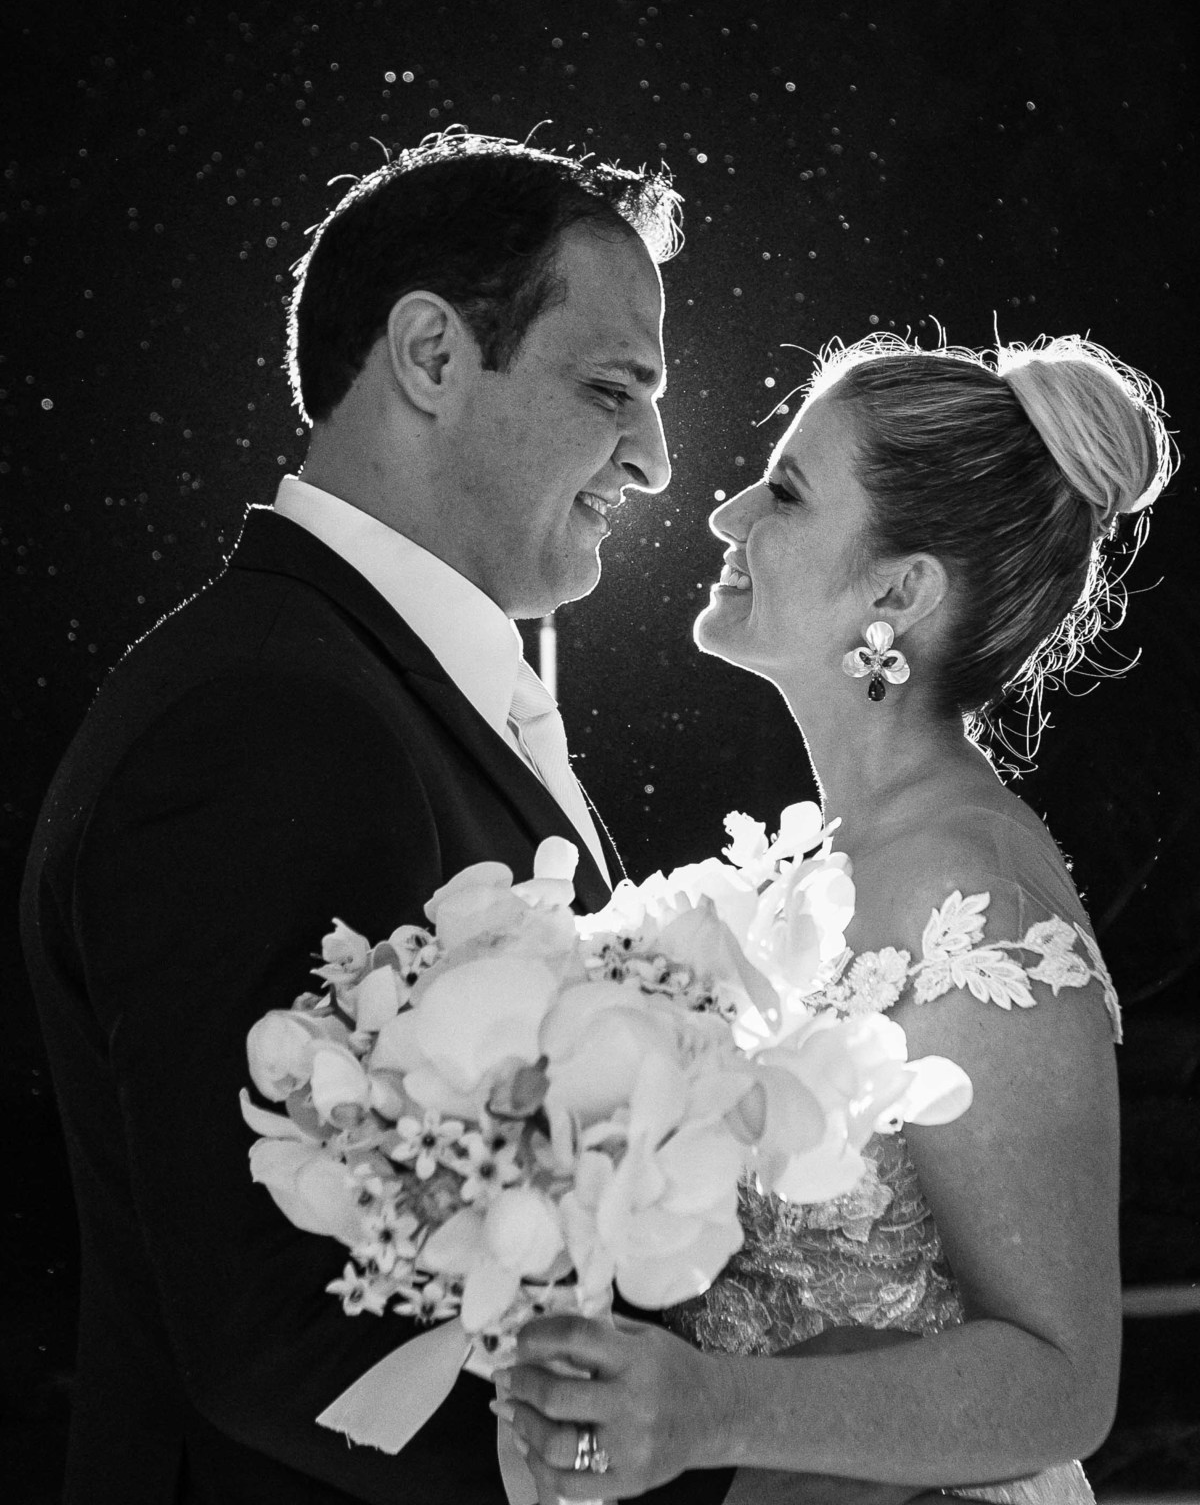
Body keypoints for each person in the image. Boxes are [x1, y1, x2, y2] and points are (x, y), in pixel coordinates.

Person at [21, 129, 732, 1504]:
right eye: (612, 389)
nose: (654, 461)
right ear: (430, 357)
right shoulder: (267, 723)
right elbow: (279, 1338)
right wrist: (687, 1475)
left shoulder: (367, 684)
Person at [500, 332, 1174, 1505]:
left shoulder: (977, 910)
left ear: (899, 592)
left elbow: (1062, 1382)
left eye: (788, 492)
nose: (728, 516)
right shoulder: (823, 865)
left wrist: (710, 1411)